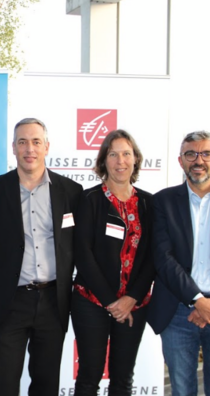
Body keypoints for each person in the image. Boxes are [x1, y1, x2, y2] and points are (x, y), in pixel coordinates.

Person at [0, 118, 83, 396]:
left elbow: (76, 245)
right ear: (13, 148)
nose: (29, 148)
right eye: (22, 142)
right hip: (10, 301)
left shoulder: (71, 192)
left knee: (46, 384)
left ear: (47, 146)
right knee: (2, 384)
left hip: (53, 301)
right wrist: (7, 276)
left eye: (36, 141)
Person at [147, 130, 210, 396]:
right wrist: (197, 301)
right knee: (182, 390)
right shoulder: (162, 202)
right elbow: (163, 258)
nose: (198, 160)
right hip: (178, 311)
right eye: (190, 154)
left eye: (206, 153)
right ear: (180, 161)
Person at [71, 130, 155, 396]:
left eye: (126, 154)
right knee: (89, 377)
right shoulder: (88, 200)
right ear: (103, 161)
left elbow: (154, 256)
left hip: (135, 304)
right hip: (91, 302)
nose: (121, 161)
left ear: (135, 159)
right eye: (113, 154)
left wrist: (130, 298)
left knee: (123, 379)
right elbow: (82, 255)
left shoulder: (149, 203)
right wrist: (111, 301)